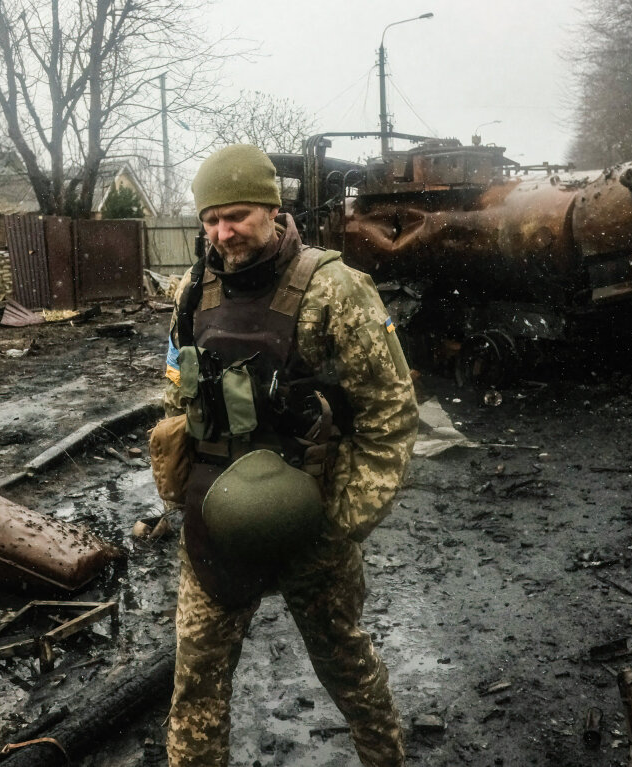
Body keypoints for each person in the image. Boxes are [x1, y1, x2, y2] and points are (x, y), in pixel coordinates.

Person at [159, 144, 419, 767]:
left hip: (312, 523)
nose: (224, 232)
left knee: (348, 668)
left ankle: (386, 758)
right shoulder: (194, 290)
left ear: (273, 211)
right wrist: (174, 475)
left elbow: (389, 414)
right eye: (211, 219)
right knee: (194, 686)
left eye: (239, 215)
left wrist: (341, 522)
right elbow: (175, 389)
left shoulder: (335, 290)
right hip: (213, 520)